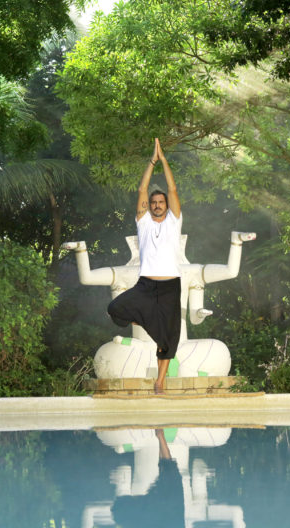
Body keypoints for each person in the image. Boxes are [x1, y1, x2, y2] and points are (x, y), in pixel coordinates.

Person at [107, 138, 183, 394]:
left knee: (169, 338)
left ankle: (160, 382)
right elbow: (142, 189)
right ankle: (145, 318)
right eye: (154, 203)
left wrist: (165, 161)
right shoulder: (144, 223)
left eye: (161, 202)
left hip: (171, 286)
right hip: (147, 285)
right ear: (149, 207)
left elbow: (172, 190)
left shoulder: (174, 222)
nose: (158, 204)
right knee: (115, 307)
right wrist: (152, 161)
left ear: (166, 205)